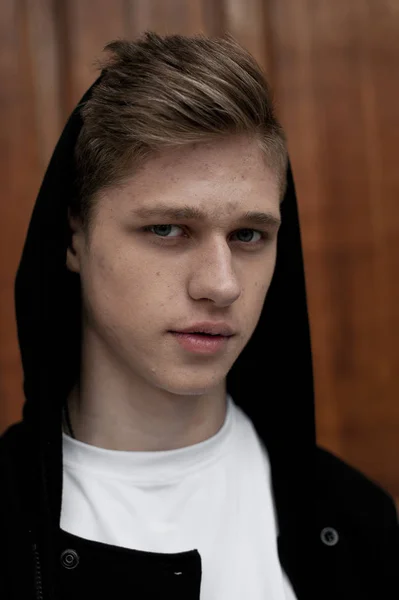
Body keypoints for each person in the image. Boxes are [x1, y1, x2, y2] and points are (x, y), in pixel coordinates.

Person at [0, 32, 398, 600]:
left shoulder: (355, 521)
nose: (222, 283)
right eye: (167, 229)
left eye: (249, 235)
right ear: (73, 237)